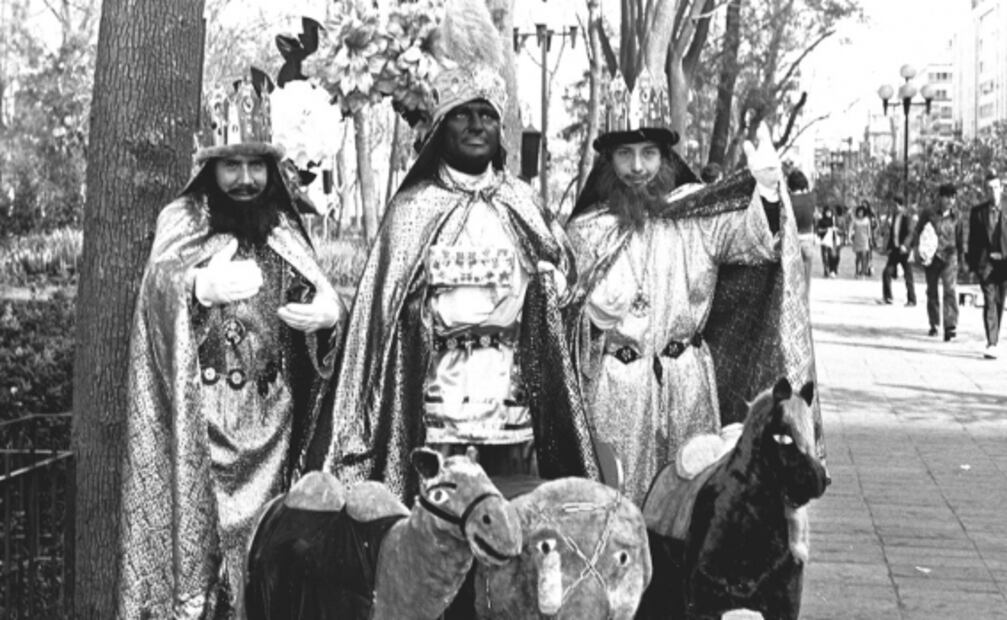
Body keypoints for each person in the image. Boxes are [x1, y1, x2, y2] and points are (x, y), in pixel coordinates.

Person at [321, 0, 598, 501]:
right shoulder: (411, 210)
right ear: (438, 128)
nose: (476, 125)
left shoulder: (522, 202)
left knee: (511, 518)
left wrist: (556, 288)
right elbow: (376, 322)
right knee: (441, 523)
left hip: (514, 409)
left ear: (500, 129)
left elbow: (568, 285)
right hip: (436, 410)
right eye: (462, 115)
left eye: (487, 115)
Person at [117, 77, 346, 618]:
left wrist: (329, 317)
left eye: (256, 166)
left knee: (268, 566)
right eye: (231, 166)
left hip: (272, 430)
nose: (245, 179)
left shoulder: (283, 225)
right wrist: (194, 287)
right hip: (200, 428)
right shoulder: (181, 221)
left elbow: (310, 302)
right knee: (204, 568)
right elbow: (155, 291)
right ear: (210, 168)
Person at [564, 70, 821, 504]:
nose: (638, 168)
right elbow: (561, 334)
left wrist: (767, 194)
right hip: (615, 392)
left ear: (666, 158)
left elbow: (754, 242)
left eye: (649, 153)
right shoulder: (586, 232)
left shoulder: (696, 219)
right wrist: (587, 321)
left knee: (690, 506)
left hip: (688, 387)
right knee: (614, 506)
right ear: (608, 161)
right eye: (625, 154)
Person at [966, 169, 1007, 359]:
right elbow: (973, 241)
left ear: (1002, 188)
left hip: (1004, 262)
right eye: (989, 188)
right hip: (987, 263)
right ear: (985, 190)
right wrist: (973, 265)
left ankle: (995, 337)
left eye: (996, 188)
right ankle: (991, 342)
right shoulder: (978, 212)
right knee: (990, 300)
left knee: (999, 301)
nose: (993, 192)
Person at [915, 183, 962, 341]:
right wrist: (916, 250)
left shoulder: (957, 215)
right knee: (932, 291)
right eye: (947, 197)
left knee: (950, 289)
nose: (950, 201)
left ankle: (950, 326)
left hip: (950, 255)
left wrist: (963, 259)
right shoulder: (929, 213)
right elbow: (918, 230)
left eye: (953, 198)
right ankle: (934, 323)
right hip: (932, 256)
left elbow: (960, 238)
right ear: (940, 197)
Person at [882, 195, 917, 306]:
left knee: (908, 275)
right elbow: (893, 234)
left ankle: (912, 300)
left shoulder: (907, 217)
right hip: (895, 250)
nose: (892, 207)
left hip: (904, 250)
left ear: (899, 205)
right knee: (886, 272)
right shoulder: (894, 217)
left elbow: (910, 233)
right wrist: (888, 248)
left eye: (894, 205)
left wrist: (905, 245)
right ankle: (888, 297)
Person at [787, 169, 816, 290]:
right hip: (807, 241)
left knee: (792, 283)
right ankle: (806, 301)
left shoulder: (788, 200)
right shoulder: (811, 198)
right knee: (806, 283)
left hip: (792, 242)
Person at [816, 206, 840, 277]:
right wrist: (826, 229)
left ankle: (833, 269)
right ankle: (826, 270)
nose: (828, 213)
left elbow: (839, 229)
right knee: (825, 256)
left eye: (830, 212)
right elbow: (818, 230)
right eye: (827, 212)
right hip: (824, 240)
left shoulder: (834, 221)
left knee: (833, 256)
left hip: (833, 240)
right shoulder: (821, 220)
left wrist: (836, 229)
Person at [850, 205, 874, 278]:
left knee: (864, 256)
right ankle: (857, 271)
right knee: (858, 257)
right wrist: (849, 237)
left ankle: (863, 272)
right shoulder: (854, 220)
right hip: (857, 240)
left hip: (865, 240)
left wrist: (870, 240)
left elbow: (869, 231)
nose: (860, 213)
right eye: (859, 212)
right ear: (857, 212)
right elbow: (850, 229)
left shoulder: (867, 220)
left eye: (862, 212)